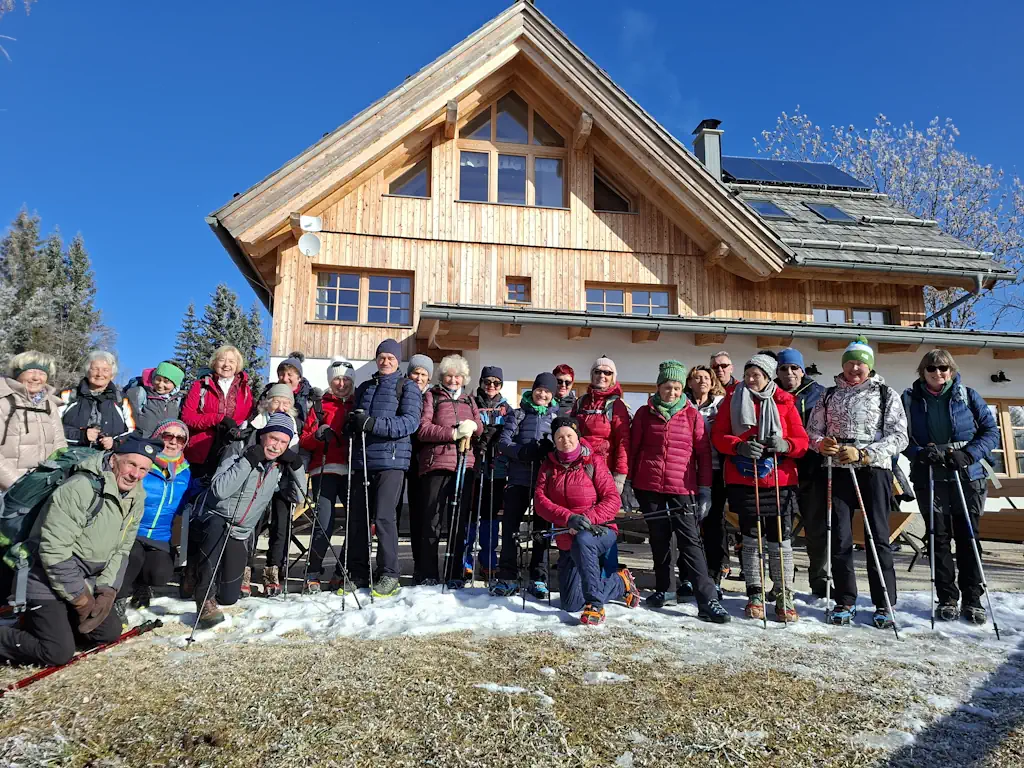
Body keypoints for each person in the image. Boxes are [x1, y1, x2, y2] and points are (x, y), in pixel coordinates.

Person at [0, 435, 160, 667]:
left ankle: (53, 623)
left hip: (83, 581)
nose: (136, 474)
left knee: (107, 632)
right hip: (43, 578)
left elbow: (122, 549)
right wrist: (81, 600)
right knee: (56, 652)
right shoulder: (81, 488)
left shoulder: (137, 497)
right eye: (131, 464)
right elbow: (53, 552)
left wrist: (107, 590)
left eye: (144, 469)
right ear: (114, 460)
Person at [807, 336, 908, 629]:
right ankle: (845, 598)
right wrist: (821, 444)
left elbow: (899, 436)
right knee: (839, 535)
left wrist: (865, 453)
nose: (854, 367)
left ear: (870, 366)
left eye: (861, 363)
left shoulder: (886, 394)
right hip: (837, 470)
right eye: (850, 362)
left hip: (873, 470)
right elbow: (812, 431)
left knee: (877, 534)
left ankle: (884, 602)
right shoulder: (828, 395)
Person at [902, 349, 999, 624]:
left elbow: (991, 432)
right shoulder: (909, 399)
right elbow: (900, 437)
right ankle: (947, 597)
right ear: (923, 371)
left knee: (968, 537)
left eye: (943, 368)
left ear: (951, 370)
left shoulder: (967, 395)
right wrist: (919, 453)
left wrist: (968, 454)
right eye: (931, 369)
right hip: (930, 475)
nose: (938, 373)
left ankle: (973, 598)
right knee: (938, 537)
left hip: (967, 474)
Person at [630, 361, 729, 623]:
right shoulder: (644, 413)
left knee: (691, 542)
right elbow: (634, 447)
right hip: (648, 485)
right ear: (658, 387)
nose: (671, 392)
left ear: (681, 388)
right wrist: (630, 482)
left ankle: (707, 599)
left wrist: (705, 489)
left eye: (676, 387)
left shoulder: (691, 415)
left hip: (682, 487)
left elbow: (703, 455)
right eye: (666, 387)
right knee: (659, 539)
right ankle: (665, 589)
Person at [712, 352, 808, 623]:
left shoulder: (785, 401)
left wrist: (786, 445)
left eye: (757, 375)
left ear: (768, 377)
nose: (751, 379)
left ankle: (783, 594)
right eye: (747, 375)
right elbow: (718, 435)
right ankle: (754, 592)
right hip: (744, 478)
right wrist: (738, 446)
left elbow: (801, 441)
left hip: (779, 480)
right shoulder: (732, 399)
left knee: (780, 540)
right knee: (751, 537)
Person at [192, 413, 305, 629]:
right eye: (273, 438)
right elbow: (220, 490)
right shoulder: (237, 451)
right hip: (216, 519)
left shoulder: (278, 467)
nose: (276, 446)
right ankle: (204, 597)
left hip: (241, 532)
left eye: (283, 442)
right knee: (216, 527)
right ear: (262, 436)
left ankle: (207, 583)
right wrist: (248, 461)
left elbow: (297, 497)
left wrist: (297, 466)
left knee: (229, 598)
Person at [534, 416, 640, 625]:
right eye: (560, 437)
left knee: (583, 540)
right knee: (571, 603)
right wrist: (568, 519)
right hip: (568, 534)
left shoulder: (593, 462)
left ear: (578, 437)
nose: (566, 440)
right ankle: (620, 582)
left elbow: (612, 499)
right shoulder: (548, 467)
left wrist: (586, 519)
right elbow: (540, 502)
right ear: (554, 441)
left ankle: (595, 605)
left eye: (570, 435)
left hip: (600, 530)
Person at [344, 339, 423, 599]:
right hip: (362, 460)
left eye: (390, 357)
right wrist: (352, 425)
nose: (385, 361)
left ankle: (389, 573)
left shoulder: (407, 387)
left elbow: (409, 423)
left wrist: (371, 424)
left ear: (397, 360)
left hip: (392, 461)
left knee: (384, 518)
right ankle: (357, 571)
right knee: (359, 519)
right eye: (381, 357)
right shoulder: (365, 387)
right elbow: (357, 418)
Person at [114, 420, 193, 622]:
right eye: (168, 436)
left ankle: (142, 585)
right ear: (158, 437)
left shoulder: (186, 472)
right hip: (133, 529)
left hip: (160, 534)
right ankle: (117, 600)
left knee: (160, 574)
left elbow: (186, 501)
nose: (173, 442)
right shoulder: (143, 464)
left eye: (180, 438)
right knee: (133, 557)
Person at [414, 354, 483, 587]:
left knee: (458, 521)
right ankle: (428, 573)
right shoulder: (431, 397)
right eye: (449, 375)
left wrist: (473, 426)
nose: (454, 380)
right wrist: (453, 434)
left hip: (465, 465)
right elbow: (423, 429)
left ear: (464, 379)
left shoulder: (469, 401)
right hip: (437, 465)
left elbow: (479, 428)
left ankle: (454, 574)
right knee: (432, 520)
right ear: (442, 377)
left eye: (458, 376)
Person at [491, 372, 559, 598]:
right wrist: (523, 452)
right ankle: (508, 575)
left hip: (544, 483)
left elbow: (565, 444)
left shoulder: (555, 417)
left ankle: (539, 577)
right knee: (510, 528)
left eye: (547, 391)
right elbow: (503, 443)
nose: (542, 394)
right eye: (539, 389)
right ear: (533, 390)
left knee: (542, 531)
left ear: (552, 395)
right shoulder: (519, 414)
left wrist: (549, 451)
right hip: (519, 479)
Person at [298, 358, 355, 593]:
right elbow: (305, 439)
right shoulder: (320, 406)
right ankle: (313, 570)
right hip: (325, 468)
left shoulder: (357, 403)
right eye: (337, 379)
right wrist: (318, 436)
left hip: (351, 469)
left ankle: (343, 570)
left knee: (355, 524)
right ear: (331, 381)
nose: (341, 383)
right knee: (324, 523)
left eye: (346, 379)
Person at [775, 348, 828, 597]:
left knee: (816, 527)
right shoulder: (770, 393)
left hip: (812, 468)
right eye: (784, 368)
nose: (789, 373)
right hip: (781, 468)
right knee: (780, 529)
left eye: (794, 368)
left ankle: (820, 579)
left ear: (802, 370)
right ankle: (783, 581)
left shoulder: (819, 394)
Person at [240, 383, 301, 597]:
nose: (281, 406)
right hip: (256, 485)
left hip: (282, 485)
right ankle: (244, 570)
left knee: (281, 527)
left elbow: (297, 456)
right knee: (251, 526)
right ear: (268, 402)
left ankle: (273, 571)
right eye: (277, 401)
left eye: (286, 402)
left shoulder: (294, 426)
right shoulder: (256, 423)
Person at [463, 365, 512, 581]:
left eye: (496, 383)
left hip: (497, 469)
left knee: (491, 515)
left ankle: (489, 559)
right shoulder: (470, 403)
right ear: (481, 383)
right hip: (474, 465)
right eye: (487, 382)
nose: (491, 386)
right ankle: (465, 560)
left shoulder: (506, 409)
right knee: (470, 513)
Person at [686, 364, 728, 596]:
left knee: (713, 523)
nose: (702, 381)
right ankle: (689, 574)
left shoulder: (721, 406)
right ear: (689, 383)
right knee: (688, 525)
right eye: (696, 378)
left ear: (712, 383)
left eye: (706, 378)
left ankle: (715, 573)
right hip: (687, 472)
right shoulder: (683, 405)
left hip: (714, 470)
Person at [181, 345, 254, 479]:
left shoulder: (245, 390)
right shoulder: (200, 385)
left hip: (231, 450)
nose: (226, 365)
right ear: (214, 362)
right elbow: (187, 417)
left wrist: (234, 429)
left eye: (231, 361)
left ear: (237, 365)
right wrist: (218, 419)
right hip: (201, 450)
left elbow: (247, 418)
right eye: (222, 360)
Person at [0, 351, 67, 492]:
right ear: (17, 373)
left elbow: (59, 446)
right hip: (7, 489)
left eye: (42, 373)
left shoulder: (50, 405)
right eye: (30, 371)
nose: (36, 378)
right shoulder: (3, 401)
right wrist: (17, 485)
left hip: (38, 489)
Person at [572, 356, 630, 494]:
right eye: (597, 371)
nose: (602, 375)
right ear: (592, 375)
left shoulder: (617, 405)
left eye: (607, 373)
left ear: (613, 377)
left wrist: (620, 475)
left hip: (604, 470)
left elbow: (624, 441)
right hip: (579, 466)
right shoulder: (581, 402)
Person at [60, 351, 131, 450]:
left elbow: (134, 431)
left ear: (112, 375)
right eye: (95, 369)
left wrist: (115, 442)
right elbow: (51, 426)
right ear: (87, 371)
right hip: (69, 455)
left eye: (105, 370)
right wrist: (81, 435)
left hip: (108, 458)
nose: (99, 374)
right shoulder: (68, 395)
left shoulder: (122, 400)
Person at [401, 354, 434, 548]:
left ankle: (419, 560)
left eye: (423, 374)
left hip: (423, 458)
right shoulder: (401, 392)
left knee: (420, 510)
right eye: (415, 373)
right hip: (400, 454)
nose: (419, 378)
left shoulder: (431, 397)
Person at [123, 361, 187, 438]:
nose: (160, 385)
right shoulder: (139, 393)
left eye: (166, 382)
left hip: (164, 447)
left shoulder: (178, 401)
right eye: (158, 379)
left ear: (175, 384)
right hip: (139, 445)